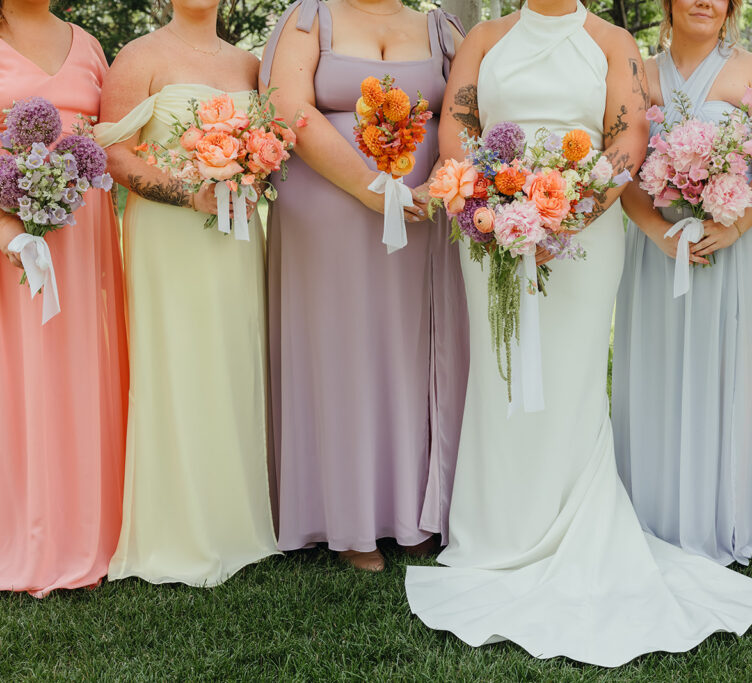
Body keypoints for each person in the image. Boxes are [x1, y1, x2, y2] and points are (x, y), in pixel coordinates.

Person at [405, 0, 752, 667]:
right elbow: (458, 128)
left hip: (583, 229)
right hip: (490, 225)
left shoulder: (613, 43)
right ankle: (495, 529)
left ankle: (572, 521)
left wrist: (562, 216)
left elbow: (625, 140)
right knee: (500, 370)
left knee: (572, 374)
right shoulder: (484, 38)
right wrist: (496, 204)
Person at [260, 0, 469, 573]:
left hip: (423, 213)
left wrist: (437, 184)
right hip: (328, 210)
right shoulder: (309, 18)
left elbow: (466, 112)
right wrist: (371, 188)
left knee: (409, 348)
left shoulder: (439, 25)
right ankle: (345, 517)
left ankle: (415, 510)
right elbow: (286, 105)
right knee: (341, 350)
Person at [95, 0, 278, 586]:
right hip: (168, 237)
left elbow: (271, 147)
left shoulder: (252, 64)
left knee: (233, 361)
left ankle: (240, 519)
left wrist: (252, 170)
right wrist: (187, 192)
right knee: (177, 365)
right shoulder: (139, 56)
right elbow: (113, 151)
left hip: (238, 237)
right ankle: (177, 529)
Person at [612, 0, 752, 567]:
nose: (704, 1)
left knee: (732, 368)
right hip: (659, 250)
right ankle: (657, 513)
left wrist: (734, 224)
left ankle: (731, 516)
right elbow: (619, 162)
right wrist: (657, 232)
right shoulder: (638, 73)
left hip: (735, 248)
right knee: (659, 368)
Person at [0, 0, 129, 597]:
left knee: (84, 368)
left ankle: (93, 528)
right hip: (15, 233)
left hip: (87, 234)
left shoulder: (88, 44)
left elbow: (112, 135)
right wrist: (12, 233)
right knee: (24, 375)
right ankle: (30, 534)